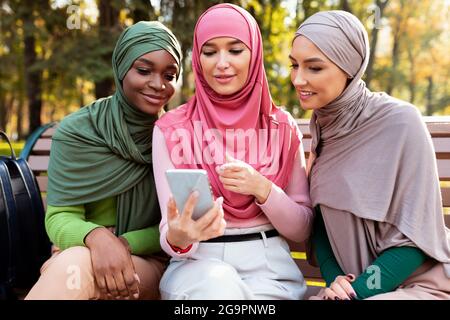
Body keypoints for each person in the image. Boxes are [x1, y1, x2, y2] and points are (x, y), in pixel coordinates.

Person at [153, 3, 313, 300]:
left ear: (254, 54)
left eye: (235, 50)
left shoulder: (282, 127)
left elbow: (301, 229)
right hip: (197, 266)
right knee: (217, 288)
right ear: (198, 59)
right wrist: (180, 235)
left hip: (269, 269)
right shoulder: (170, 129)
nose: (221, 63)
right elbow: (169, 232)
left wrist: (262, 188)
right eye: (210, 51)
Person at [289, 10, 450, 300]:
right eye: (294, 65)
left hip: (418, 286)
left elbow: (417, 239)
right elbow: (322, 225)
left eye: (314, 68)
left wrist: (359, 291)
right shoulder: (324, 128)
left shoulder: (401, 123)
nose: (298, 80)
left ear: (349, 67)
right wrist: (337, 281)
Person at [25, 21, 182, 300]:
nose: (158, 85)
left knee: (74, 267)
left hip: (146, 262)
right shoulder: (78, 132)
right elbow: (61, 216)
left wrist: (120, 244)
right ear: (122, 68)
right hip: (77, 251)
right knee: (75, 264)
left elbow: (172, 221)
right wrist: (96, 238)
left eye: (170, 75)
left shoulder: (174, 136)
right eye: (144, 70)